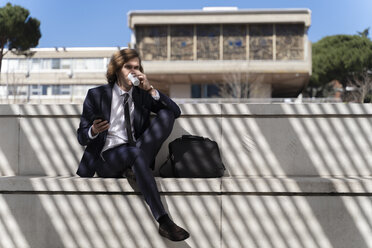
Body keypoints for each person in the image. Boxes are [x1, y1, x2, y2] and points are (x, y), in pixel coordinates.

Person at [76, 48, 189, 242]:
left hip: (136, 151)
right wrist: (93, 131)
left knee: (166, 114)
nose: (133, 71)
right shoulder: (96, 95)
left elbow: (175, 111)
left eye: (136, 67)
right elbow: (81, 137)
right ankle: (163, 220)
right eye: (128, 67)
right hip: (107, 158)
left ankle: (135, 168)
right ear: (117, 69)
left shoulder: (141, 94)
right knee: (133, 153)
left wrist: (151, 90)